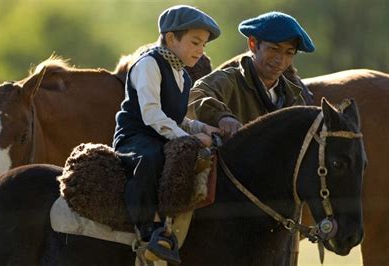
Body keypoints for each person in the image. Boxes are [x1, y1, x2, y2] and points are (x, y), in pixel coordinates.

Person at [112, 5, 220, 264]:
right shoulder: (149, 64)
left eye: (204, 45)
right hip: (136, 136)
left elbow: (175, 116)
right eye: (195, 42)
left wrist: (201, 128)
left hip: (161, 133)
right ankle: (148, 229)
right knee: (148, 160)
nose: (200, 51)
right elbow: (151, 114)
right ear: (171, 38)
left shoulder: (182, 73)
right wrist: (190, 138)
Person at [187, 11, 315, 137]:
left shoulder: (294, 97)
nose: (280, 60)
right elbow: (195, 97)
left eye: (289, 53)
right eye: (274, 49)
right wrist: (222, 117)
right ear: (253, 44)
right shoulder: (227, 80)